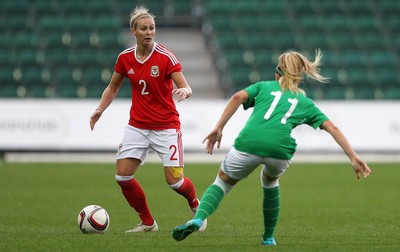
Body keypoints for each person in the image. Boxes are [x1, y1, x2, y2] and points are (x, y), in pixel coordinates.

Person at [172, 49, 371, 245]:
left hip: (249, 144)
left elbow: (237, 97)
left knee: (223, 182)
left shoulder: (264, 86)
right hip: (280, 151)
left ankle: (198, 219)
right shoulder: (305, 103)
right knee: (270, 182)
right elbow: (332, 127)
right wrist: (353, 157)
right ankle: (268, 238)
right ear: (299, 79)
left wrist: (218, 128)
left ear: (277, 74)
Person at [89, 6, 206, 233]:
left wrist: (184, 92)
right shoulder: (125, 58)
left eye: (152, 28)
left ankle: (195, 205)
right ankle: (148, 223)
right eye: (144, 28)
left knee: (175, 182)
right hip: (137, 126)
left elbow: (185, 86)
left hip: (166, 127)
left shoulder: (165, 57)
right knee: (122, 176)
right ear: (134, 31)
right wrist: (100, 109)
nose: (149, 32)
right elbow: (112, 87)